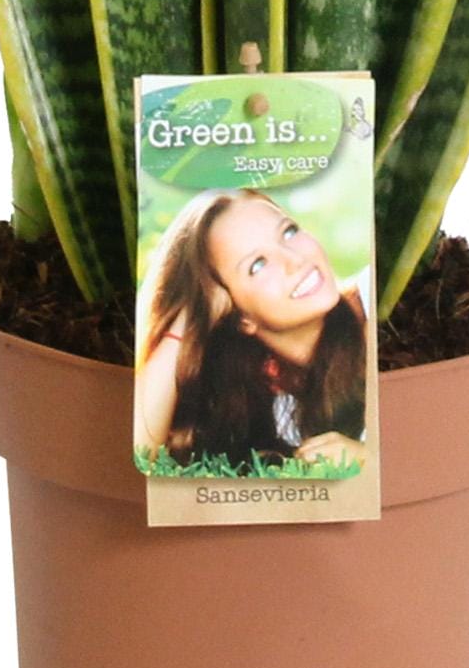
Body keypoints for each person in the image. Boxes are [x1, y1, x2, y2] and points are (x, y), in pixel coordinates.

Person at [134, 188, 368, 471]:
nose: (295, 260)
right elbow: (139, 455)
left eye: (289, 232)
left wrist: (368, 457)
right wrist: (188, 320)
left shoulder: (378, 300)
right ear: (238, 317)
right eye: (258, 264)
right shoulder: (268, 405)